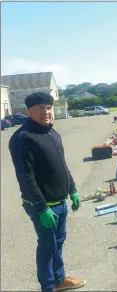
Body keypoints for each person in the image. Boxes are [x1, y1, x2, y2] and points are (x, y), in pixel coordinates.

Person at [9, 92, 86, 292]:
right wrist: (41, 207)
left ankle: (59, 279)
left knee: (58, 243)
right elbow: (25, 177)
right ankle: (48, 286)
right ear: (29, 111)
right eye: (40, 108)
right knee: (47, 248)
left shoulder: (53, 133)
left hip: (60, 202)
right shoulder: (22, 138)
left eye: (49, 107)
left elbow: (62, 166)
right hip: (42, 207)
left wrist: (73, 189)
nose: (46, 112)